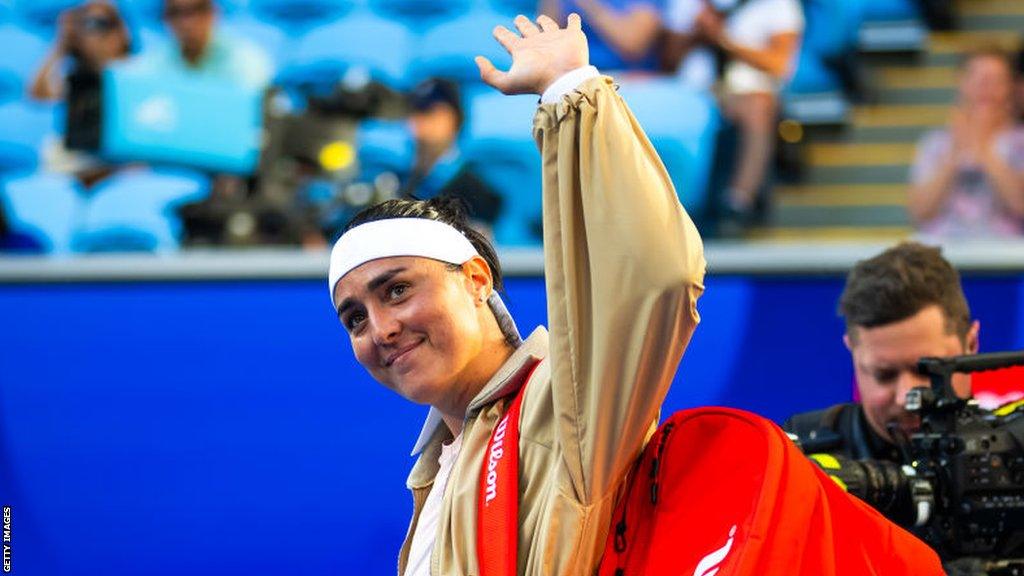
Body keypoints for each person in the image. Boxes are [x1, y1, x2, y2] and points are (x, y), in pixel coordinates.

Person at [327, 13, 705, 575]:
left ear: (477, 280)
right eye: (355, 318)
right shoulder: (435, 470)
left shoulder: (566, 406)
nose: (380, 328)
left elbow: (656, 277)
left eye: (398, 290)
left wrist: (571, 92)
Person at [783, 242, 978, 462]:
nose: (906, 397)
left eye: (927, 370)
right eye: (884, 375)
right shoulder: (799, 455)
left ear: (971, 344)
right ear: (852, 353)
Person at [662, 0, 803, 226]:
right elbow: (668, 62)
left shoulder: (777, 4)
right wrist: (695, 34)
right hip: (691, 91)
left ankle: (738, 201)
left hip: (745, 90)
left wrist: (723, 39)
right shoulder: (687, 4)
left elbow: (779, 65)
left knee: (758, 107)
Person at [908, 47, 1024, 238]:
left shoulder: (1020, 142)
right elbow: (920, 212)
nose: (986, 89)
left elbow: (1020, 204)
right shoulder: (936, 142)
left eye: (995, 81)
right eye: (979, 80)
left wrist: (985, 149)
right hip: (943, 251)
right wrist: (954, 154)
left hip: (1007, 256)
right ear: (961, 83)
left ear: (1010, 87)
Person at [29, 0, 133, 185]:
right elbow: (38, 95)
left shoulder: (138, 69)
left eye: (101, 24)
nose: (94, 33)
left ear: (120, 30)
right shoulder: (76, 76)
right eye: (86, 24)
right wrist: (61, 44)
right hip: (81, 157)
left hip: (123, 158)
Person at [401, 78, 504, 234]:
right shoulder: (399, 182)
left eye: (432, 113)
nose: (421, 123)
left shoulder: (478, 191)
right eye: (415, 112)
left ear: (456, 119)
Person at [134, 0, 271, 90]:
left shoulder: (245, 60)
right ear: (165, 19)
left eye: (196, 10)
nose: (186, 23)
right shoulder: (154, 61)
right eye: (176, 13)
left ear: (214, 12)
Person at [540, 0, 664, 72]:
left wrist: (590, 4)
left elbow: (634, 45)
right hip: (576, 76)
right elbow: (548, 44)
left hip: (628, 79)